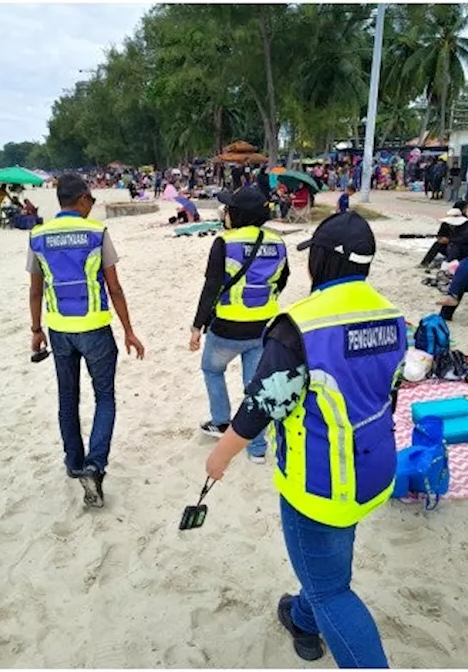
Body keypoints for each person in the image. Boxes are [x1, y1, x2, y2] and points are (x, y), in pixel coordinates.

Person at [204, 211, 402, 667]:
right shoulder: (391, 315)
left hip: (319, 478)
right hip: (372, 465)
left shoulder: (301, 326)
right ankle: (303, 621)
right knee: (330, 558)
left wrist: (221, 454)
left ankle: (325, 620)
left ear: (323, 262)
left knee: (332, 590)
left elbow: (263, 404)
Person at [28, 174, 145, 507]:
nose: (91, 207)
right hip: (95, 328)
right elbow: (115, 288)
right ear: (80, 199)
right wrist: (129, 330)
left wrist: (36, 330)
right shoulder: (97, 233)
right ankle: (95, 465)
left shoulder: (38, 236)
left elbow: (36, 290)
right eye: (90, 201)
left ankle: (74, 464)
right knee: (104, 397)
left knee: (68, 399)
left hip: (60, 330)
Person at [189, 185, 289, 463]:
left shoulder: (225, 242)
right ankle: (256, 449)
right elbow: (282, 279)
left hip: (227, 328)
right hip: (263, 327)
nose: (225, 211)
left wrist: (197, 327)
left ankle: (221, 422)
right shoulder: (278, 242)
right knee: (255, 386)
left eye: (228, 207)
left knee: (211, 369)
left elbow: (210, 289)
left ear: (237, 214)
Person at [420, 201, 468, 268]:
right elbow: (440, 233)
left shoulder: (465, 223)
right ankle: (425, 263)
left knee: (455, 245)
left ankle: (448, 265)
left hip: (464, 249)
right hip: (450, 246)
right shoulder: (446, 223)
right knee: (437, 244)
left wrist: (449, 240)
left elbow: (467, 239)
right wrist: (441, 238)